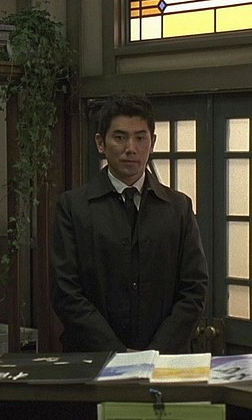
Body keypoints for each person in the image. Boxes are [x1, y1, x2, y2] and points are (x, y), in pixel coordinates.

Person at [51, 92, 208, 353]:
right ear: (100, 143)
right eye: (120, 137)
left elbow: (194, 289)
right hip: (93, 356)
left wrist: (155, 352)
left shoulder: (178, 207)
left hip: (165, 359)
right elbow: (66, 292)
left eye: (140, 138)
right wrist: (119, 353)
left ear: (152, 142)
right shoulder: (73, 207)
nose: (131, 148)